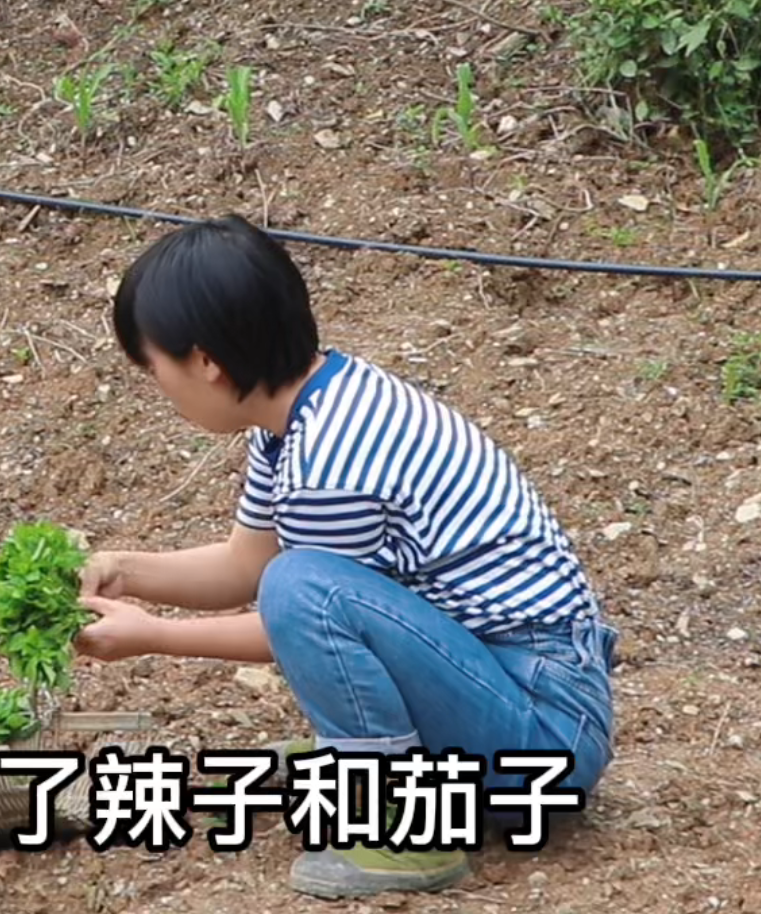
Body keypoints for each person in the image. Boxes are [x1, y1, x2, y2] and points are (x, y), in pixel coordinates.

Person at [74, 215, 618, 899]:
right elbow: (245, 563)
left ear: (205, 360)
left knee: (302, 584)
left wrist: (152, 635)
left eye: (153, 366)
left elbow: (297, 616)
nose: (158, 387)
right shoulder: (304, 413)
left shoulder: (333, 462)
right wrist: (124, 569)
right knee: (295, 579)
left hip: (541, 741)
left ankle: (402, 831)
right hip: (511, 691)